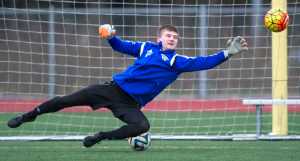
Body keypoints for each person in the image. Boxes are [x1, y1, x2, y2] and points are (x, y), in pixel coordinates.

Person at [7, 24, 248, 147]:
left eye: (175, 37)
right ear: (159, 38)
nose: (172, 39)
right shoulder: (145, 47)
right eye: (168, 36)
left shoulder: (177, 61)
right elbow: (120, 46)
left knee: (142, 125)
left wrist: (227, 53)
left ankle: (99, 137)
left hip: (130, 103)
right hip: (111, 89)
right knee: (63, 101)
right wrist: (110, 35)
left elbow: (203, 62)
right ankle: (27, 116)